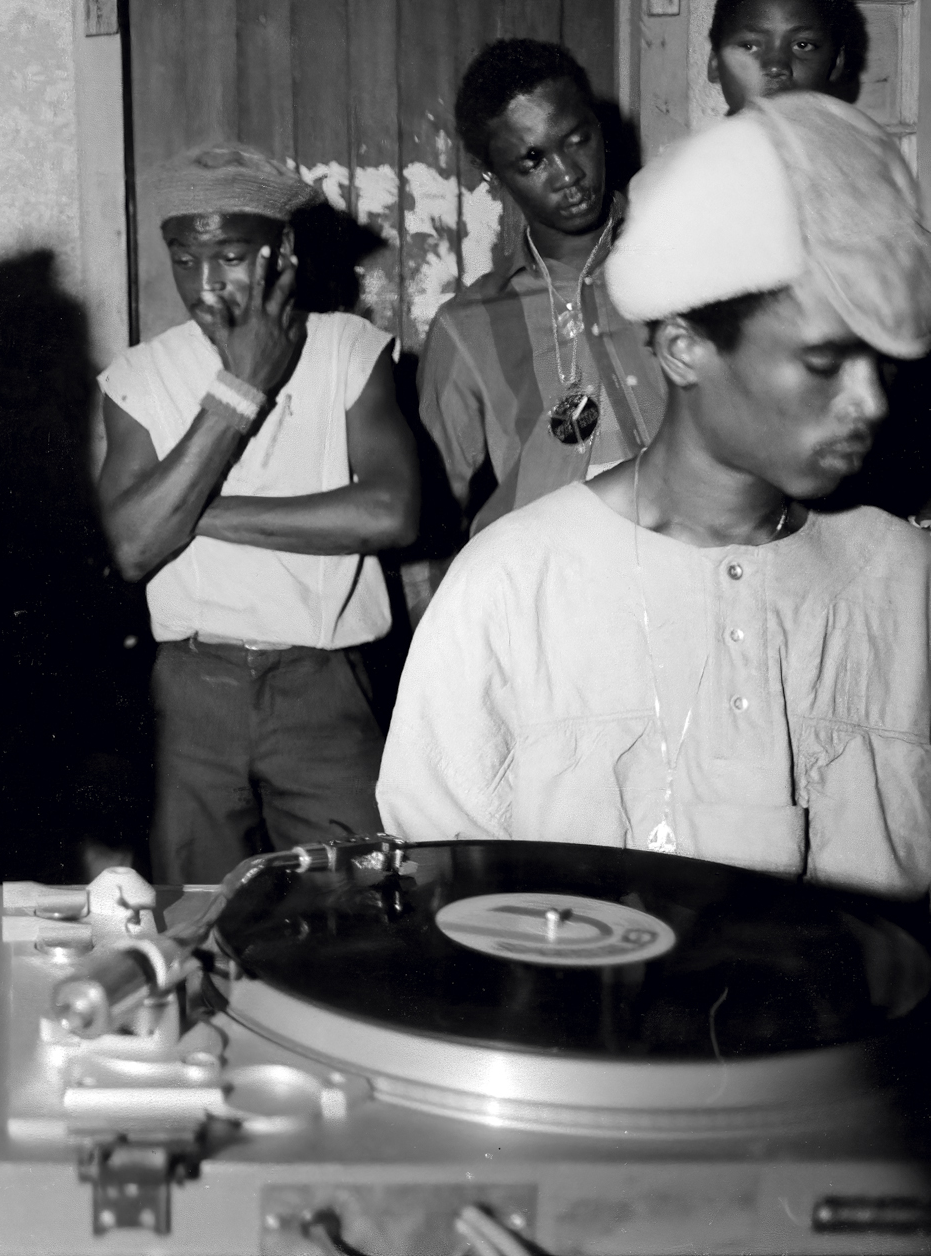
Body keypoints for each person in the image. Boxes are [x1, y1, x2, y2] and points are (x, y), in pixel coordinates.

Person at [379, 92, 931, 900]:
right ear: (683, 348)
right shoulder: (508, 592)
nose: (871, 402)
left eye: (882, 364)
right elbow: (443, 901)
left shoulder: (906, 580)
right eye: (824, 362)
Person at [96, 143, 419, 886]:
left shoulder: (347, 349)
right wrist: (241, 387)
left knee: (361, 903)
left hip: (327, 688)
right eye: (185, 259)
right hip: (191, 693)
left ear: (284, 252)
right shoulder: (139, 378)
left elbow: (391, 511)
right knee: (198, 916)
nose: (207, 287)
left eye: (232, 256)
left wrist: (190, 510)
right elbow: (129, 547)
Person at [419, 40, 666, 540]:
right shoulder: (466, 326)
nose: (569, 175)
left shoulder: (680, 260)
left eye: (578, 139)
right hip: (546, 590)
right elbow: (430, 515)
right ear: (492, 173)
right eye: (533, 160)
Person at [710, 0, 866, 113]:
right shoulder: (695, 140)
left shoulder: (863, 137)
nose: (775, 67)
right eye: (749, 46)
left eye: (803, 45)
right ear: (715, 63)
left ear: (836, 62)